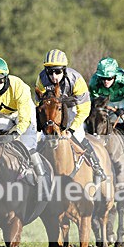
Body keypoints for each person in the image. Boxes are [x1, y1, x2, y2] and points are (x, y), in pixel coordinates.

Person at [34, 48, 106, 185]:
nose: (54, 76)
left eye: (58, 71)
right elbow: (39, 103)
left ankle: (97, 166)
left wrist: (71, 130)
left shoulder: (76, 79)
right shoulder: (41, 79)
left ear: (64, 70)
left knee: (79, 136)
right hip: (52, 112)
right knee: (40, 139)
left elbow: (84, 108)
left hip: (73, 109)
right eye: (50, 71)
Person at [0, 57, 45, 184]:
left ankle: (43, 180)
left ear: (5, 78)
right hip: (2, 115)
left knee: (28, 146)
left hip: (23, 113)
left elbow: (24, 120)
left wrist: (15, 133)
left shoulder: (19, 86)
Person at [87, 56, 124, 136]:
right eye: (103, 78)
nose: (106, 81)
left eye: (109, 78)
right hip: (107, 100)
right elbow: (94, 99)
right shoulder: (94, 82)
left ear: (115, 76)